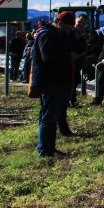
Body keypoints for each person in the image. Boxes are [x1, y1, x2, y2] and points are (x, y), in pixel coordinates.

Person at [32, 11, 74, 158]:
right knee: (49, 117)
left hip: (58, 81)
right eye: (68, 27)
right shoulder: (46, 35)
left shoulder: (58, 35)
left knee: (51, 116)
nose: (69, 31)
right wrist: (68, 56)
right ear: (60, 23)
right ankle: (45, 150)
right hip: (51, 82)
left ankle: (49, 148)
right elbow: (48, 58)